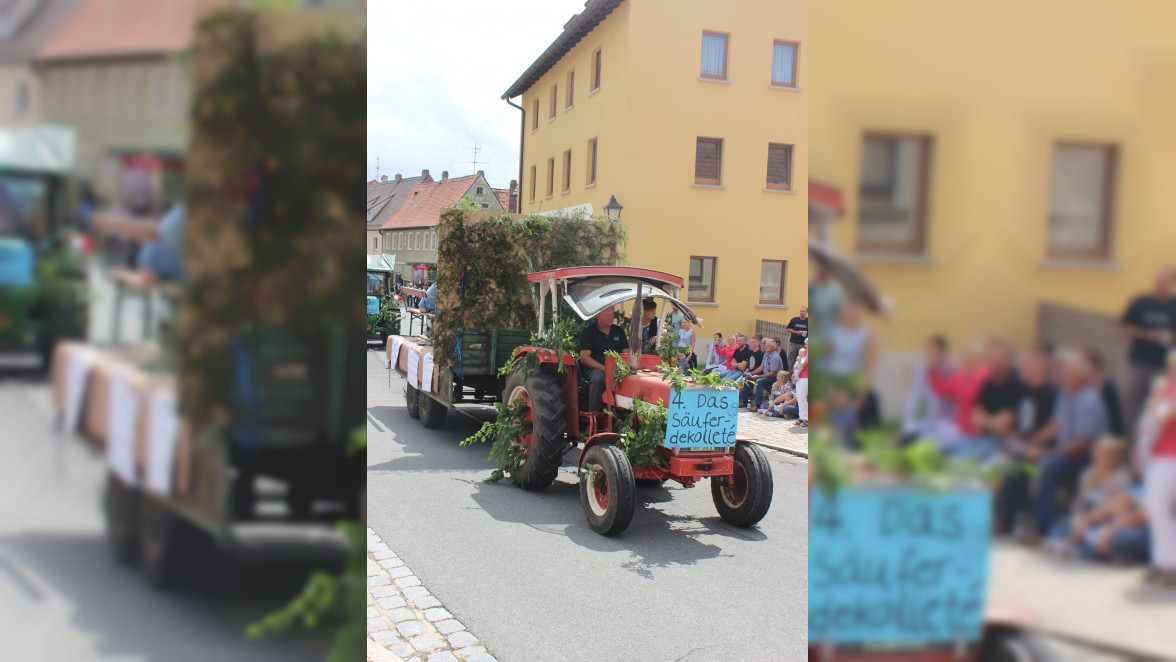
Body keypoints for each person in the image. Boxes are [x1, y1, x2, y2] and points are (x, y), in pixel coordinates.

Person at [1030, 350, 1110, 539]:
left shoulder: (1089, 400)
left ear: (1080, 376)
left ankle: (1043, 528)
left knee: (1046, 468)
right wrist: (1029, 443)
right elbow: (1055, 426)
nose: (1062, 375)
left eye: (1067, 372)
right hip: (1065, 452)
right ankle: (1007, 520)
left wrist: (1048, 453)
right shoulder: (1065, 394)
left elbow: (1083, 443)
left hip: (1085, 457)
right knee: (1020, 461)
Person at [1122, 267, 1176, 442]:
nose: (1161, 284)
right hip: (1138, 362)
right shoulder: (1141, 302)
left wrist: (1168, 336)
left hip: (1163, 366)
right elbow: (1125, 327)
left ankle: (1153, 440)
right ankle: (1130, 439)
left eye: (1165, 280)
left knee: (1158, 404)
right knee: (1132, 403)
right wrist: (1147, 335)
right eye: (1158, 280)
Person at [1143, 350, 1176, 586]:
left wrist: (1153, 403)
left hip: (1171, 458)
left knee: (1164, 511)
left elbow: (1163, 419)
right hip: (1161, 455)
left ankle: (1170, 566)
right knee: (1157, 510)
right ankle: (1162, 562)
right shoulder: (1169, 388)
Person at [902, 335, 957, 443]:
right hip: (930, 421)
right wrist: (907, 424)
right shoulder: (923, 371)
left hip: (948, 423)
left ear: (942, 352)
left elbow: (956, 402)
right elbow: (914, 398)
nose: (929, 354)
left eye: (933, 350)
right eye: (927, 350)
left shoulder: (951, 371)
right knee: (907, 437)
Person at [578, 307, 629, 412]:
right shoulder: (588, 332)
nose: (611, 318)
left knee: (630, 379)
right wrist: (605, 368)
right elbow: (584, 358)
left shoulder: (619, 331)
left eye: (612, 315)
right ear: (598, 316)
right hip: (594, 368)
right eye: (607, 315)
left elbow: (626, 353)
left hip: (616, 369)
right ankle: (593, 415)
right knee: (598, 378)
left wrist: (622, 369)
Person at [751, 338, 784, 411]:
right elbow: (761, 367)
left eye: (768, 346)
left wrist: (759, 376)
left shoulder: (775, 357)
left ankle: (758, 404)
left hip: (774, 378)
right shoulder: (766, 354)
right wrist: (751, 373)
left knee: (759, 381)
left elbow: (773, 373)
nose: (765, 347)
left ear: (773, 348)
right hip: (766, 375)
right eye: (766, 345)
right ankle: (745, 401)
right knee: (748, 378)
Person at [794, 341, 808, 428]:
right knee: (799, 397)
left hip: (807, 376)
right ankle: (801, 416)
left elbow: (803, 364)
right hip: (801, 376)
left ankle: (807, 418)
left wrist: (799, 361)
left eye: (807, 344)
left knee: (803, 397)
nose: (806, 345)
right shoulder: (805, 352)